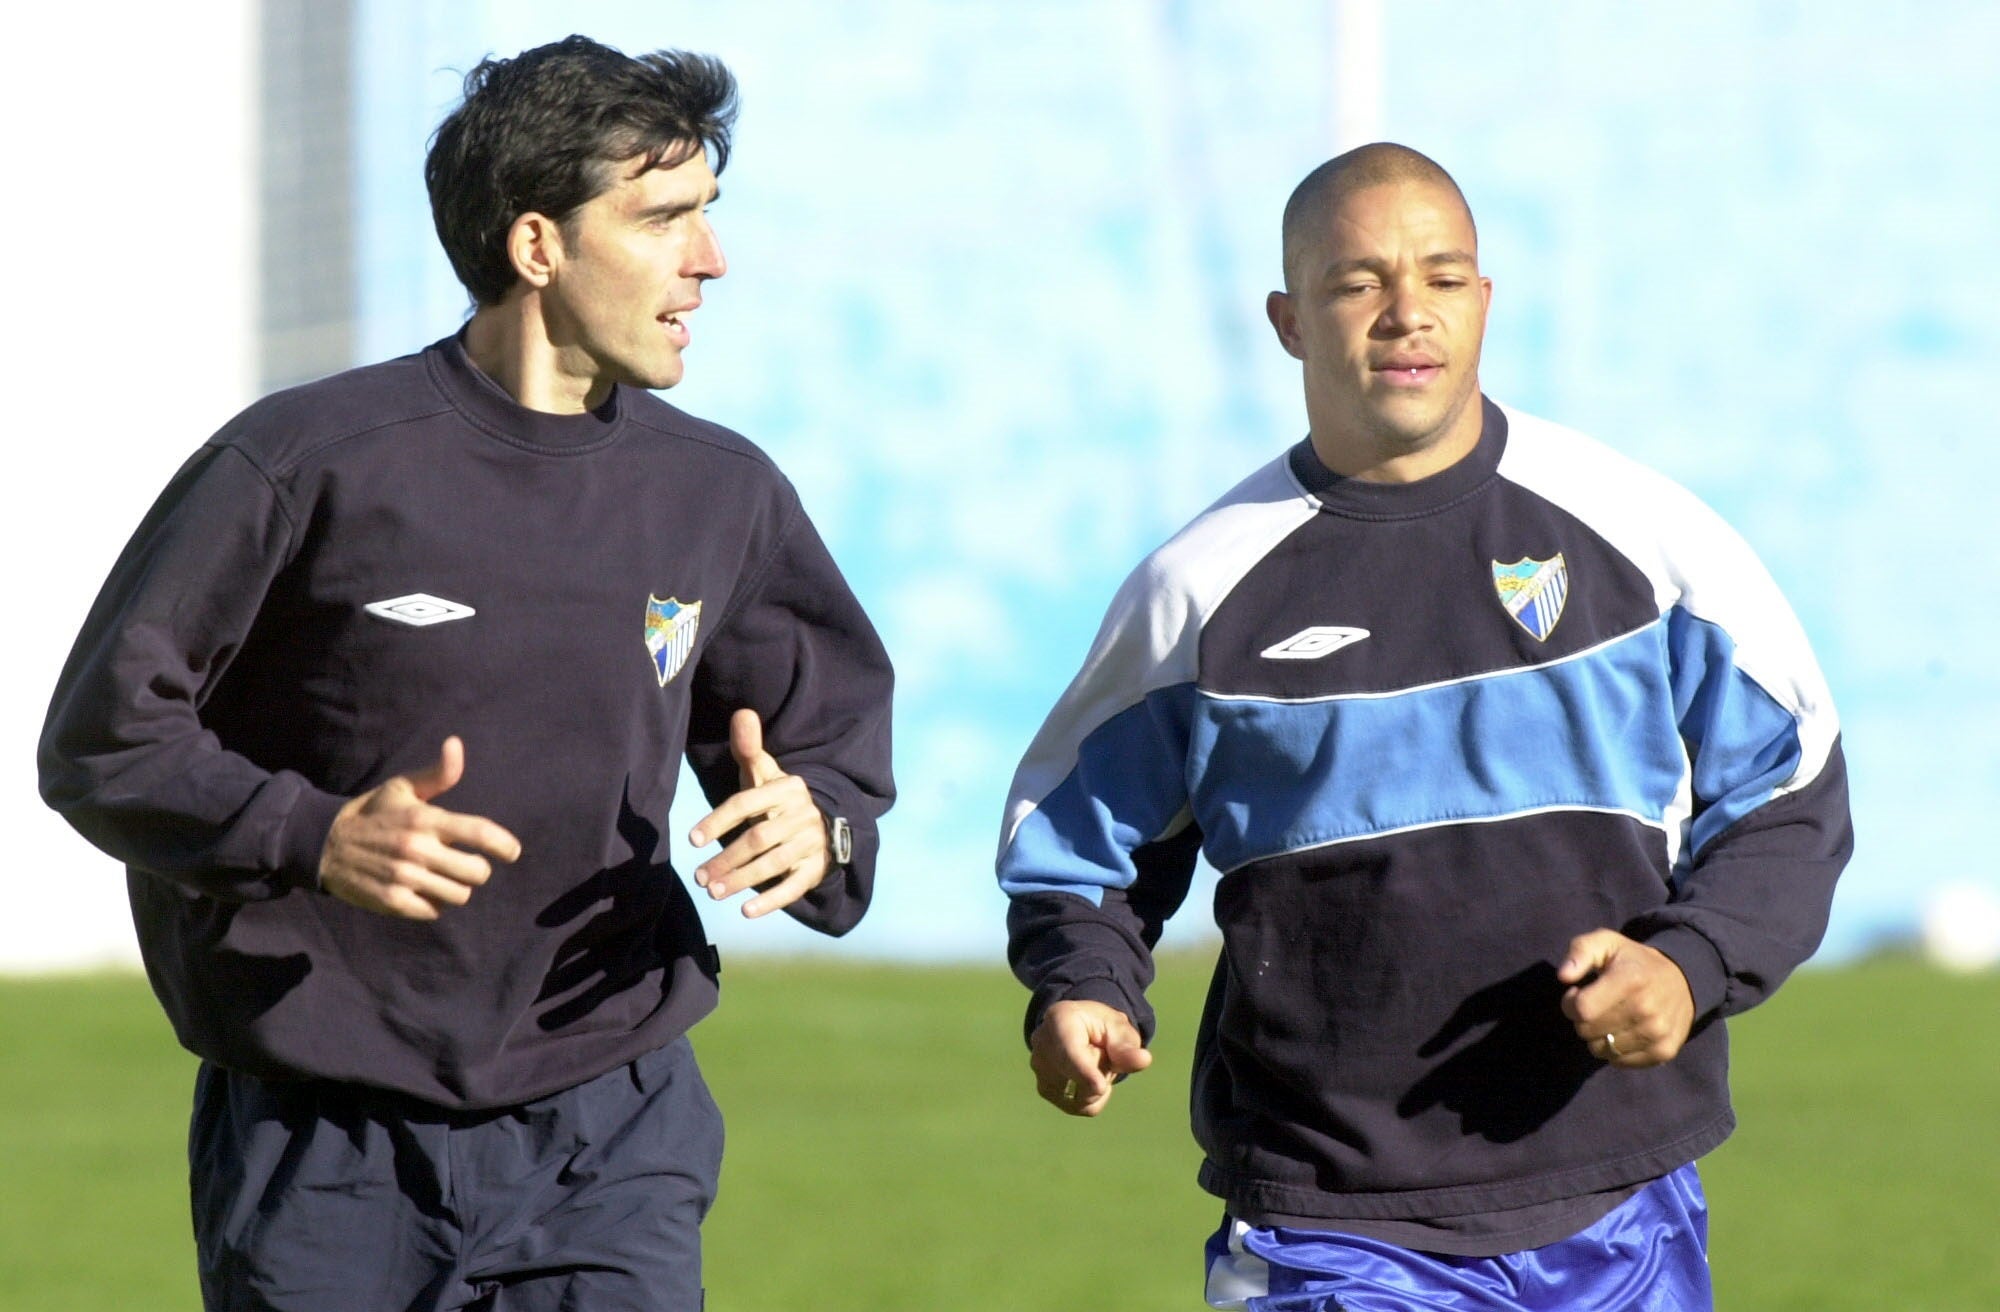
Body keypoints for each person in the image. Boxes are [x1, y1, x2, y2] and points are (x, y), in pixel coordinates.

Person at [39, 35, 893, 1312]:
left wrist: (816, 822)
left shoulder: (719, 492)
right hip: (323, 1147)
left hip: (613, 1129)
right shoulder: (303, 461)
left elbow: (826, 740)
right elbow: (105, 739)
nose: (708, 262)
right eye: (663, 220)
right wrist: (310, 833)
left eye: (708, 218)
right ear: (536, 243)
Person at [996, 143, 1850, 1311]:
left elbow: (1787, 792)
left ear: (1482, 301)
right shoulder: (1200, 589)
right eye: (1357, 283)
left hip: (1615, 1198)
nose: (1406, 314)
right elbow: (1079, 841)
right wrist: (1082, 983)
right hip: (1329, 1215)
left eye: (1441, 278)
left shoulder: (1644, 537)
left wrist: (1686, 962)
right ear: (1289, 320)